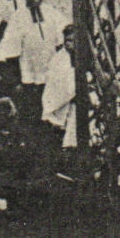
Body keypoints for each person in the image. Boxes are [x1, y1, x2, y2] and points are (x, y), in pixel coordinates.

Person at [0, 0, 66, 132]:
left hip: (51, 68)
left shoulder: (51, 13)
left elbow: (64, 31)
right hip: (30, 70)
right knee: (33, 106)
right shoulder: (18, 17)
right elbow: (9, 47)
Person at [40, 25, 79, 156]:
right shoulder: (59, 59)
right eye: (67, 40)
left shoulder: (83, 57)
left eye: (73, 41)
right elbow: (57, 82)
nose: (69, 44)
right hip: (62, 101)